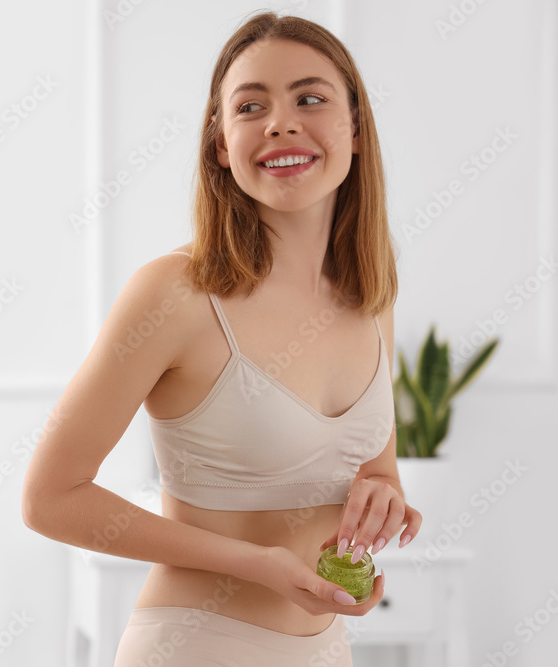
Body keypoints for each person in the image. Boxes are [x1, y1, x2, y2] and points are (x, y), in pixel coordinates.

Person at [21, 10, 422, 666]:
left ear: (355, 131)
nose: (281, 122)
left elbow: (375, 469)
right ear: (220, 145)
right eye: (250, 106)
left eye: (310, 98)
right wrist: (254, 562)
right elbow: (49, 497)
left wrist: (387, 496)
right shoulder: (174, 293)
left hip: (327, 649)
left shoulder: (371, 293)